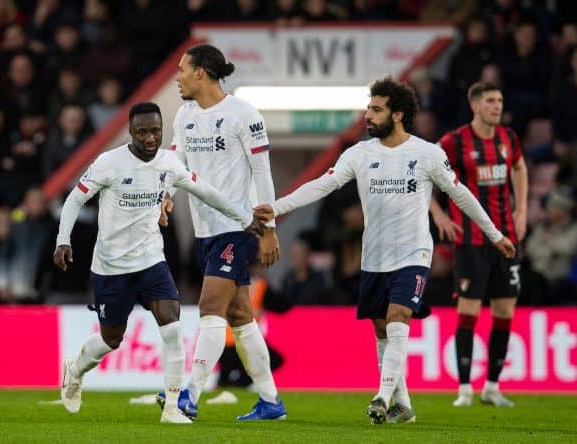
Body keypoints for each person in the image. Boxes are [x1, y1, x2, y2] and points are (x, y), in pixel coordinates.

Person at [254, 77, 515, 425]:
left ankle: (382, 394)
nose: (368, 115)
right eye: (369, 107)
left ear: (398, 114)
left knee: (398, 317)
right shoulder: (360, 154)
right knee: (383, 331)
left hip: (414, 255)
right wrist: (278, 206)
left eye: (376, 109)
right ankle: (403, 406)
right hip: (374, 258)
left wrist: (494, 234)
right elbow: (322, 185)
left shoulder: (427, 154)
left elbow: (461, 194)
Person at [53, 102, 264, 424]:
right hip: (111, 267)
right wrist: (63, 240)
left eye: (155, 130)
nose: (150, 138)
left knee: (172, 327)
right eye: (142, 132)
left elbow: (206, 191)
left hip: (152, 261)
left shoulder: (169, 162)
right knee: (111, 338)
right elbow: (74, 199)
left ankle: (172, 409)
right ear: (131, 132)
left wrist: (244, 217)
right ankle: (76, 368)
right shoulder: (109, 163)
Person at [156, 44, 286, 421]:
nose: (177, 76)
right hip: (204, 230)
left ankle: (187, 395)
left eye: (182, 70)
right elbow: (177, 162)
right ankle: (270, 401)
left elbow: (262, 173)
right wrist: (166, 195)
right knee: (241, 315)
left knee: (211, 307)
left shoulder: (243, 115)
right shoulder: (185, 115)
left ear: (201, 73)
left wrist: (269, 228)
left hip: (239, 226)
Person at [429, 81, 528, 407]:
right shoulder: (455, 142)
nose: (496, 106)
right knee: (468, 310)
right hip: (471, 241)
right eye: (490, 101)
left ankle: (492, 386)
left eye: (499, 99)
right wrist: (439, 214)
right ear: (475, 106)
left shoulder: (507, 138)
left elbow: (519, 166)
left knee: (504, 310)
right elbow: (425, 173)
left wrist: (522, 209)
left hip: (506, 240)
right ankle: (464, 389)